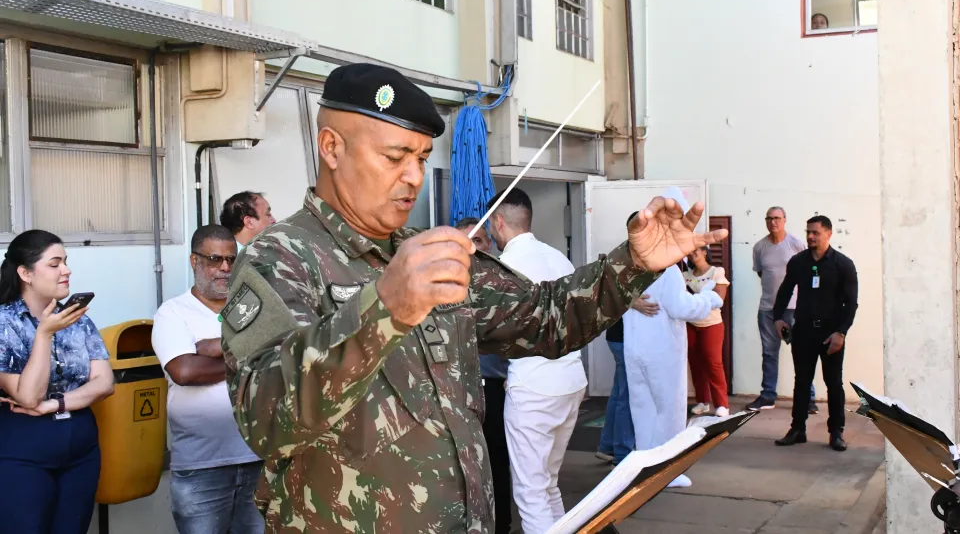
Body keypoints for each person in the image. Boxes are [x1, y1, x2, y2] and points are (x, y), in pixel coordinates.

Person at [219, 62, 727, 533]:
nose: (415, 176)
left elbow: (548, 319)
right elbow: (267, 419)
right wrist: (384, 308)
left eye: (420, 158)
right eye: (395, 157)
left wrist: (633, 264)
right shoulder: (281, 259)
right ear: (332, 147)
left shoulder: (424, 250)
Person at [486, 188, 588, 534]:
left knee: (530, 492)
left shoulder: (505, 267)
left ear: (498, 222)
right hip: (571, 380)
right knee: (548, 483)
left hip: (533, 387)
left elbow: (495, 329)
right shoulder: (559, 258)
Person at [0, 229, 115, 534]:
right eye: (55, 264)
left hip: (81, 450)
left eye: (65, 261)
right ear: (26, 273)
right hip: (22, 453)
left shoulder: (79, 320)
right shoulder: (4, 323)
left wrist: (55, 403)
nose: (66, 270)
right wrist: (44, 333)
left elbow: (104, 383)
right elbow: (27, 397)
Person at [151, 225, 264, 533]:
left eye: (231, 259)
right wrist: (247, 356)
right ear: (194, 261)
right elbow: (185, 372)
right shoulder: (173, 313)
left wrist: (216, 349)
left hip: (259, 459)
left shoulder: (253, 309)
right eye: (215, 259)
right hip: (202, 467)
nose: (225, 268)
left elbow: (279, 354)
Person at [623, 189, 723, 489]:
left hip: (635, 349)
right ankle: (667, 472)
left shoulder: (629, 264)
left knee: (642, 409)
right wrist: (709, 298)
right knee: (669, 410)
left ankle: (643, 465)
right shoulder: (667, 268)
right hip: (662, 351)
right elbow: (681, 308)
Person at [773, 216, 858, 452]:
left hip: (831, 333)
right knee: (801, 382)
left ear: (828, 234)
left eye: (815, 233)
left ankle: (836, 432)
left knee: (834, 383)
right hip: (803, 331)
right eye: (808, 232)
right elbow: (784, 291)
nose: (810, 236)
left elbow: (851, 304)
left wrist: (841, 332)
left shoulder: (843, 264)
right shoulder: (798, 262)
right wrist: (778, 318)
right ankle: (797, 429)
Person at [455, 216, 512, 534]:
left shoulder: (500, 284)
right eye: (465, 242)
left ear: (489, 244)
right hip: (458, 389)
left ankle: (500, 523)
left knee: (496, 459)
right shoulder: (442, 286)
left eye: (477, 241)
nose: (471, 249)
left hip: (494, 386)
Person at [747, 206, 816, 413]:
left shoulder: (795, 244)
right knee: (769, 354)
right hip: (768, 310)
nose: (773, 222)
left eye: (777, 218)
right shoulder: (760, 247)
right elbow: (762, 273)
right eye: (769, 218)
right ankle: (768, 396)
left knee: (801, 353)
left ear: (784, 220)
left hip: (794, 309)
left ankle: (808, 398)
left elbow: (808, 270)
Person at [595, 293, 657, 466]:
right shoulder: (627, 268)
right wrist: (629, 301)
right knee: (629, 396)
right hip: (625, 338)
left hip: (620, 337)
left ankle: (608, 447)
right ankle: (623, 453)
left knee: (620, 393)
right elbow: (606, 292)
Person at [685, 245, 731, 417]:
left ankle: (722, 404)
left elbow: (719, 299)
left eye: (696, 249)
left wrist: (696, 300)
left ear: (705, 252)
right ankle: (702, 402)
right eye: (689, 251)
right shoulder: (685, 275)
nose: (692, 252)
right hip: (690, 324)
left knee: (713, 363)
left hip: (711, 324)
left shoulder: (716, 272)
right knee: (695, 364)